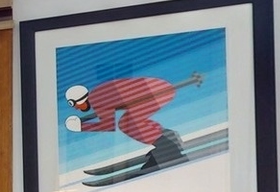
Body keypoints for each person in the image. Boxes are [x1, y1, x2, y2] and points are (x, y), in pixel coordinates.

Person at [64, 72, 203, 168]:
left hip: (155, 93)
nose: (75, 108)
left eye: (73, 104)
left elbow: (108, 126)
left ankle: (168, 148)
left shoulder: (97, 98)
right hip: (157, 89)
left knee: (128, 124)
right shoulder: (98, 95)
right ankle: (168, 138)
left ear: (79, 100)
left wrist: (81, 127)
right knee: (128, 122)